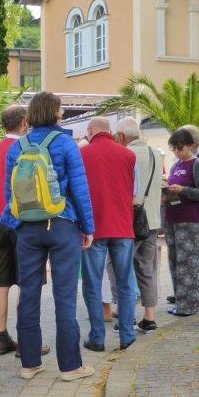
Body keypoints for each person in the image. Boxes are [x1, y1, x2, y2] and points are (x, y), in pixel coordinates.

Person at [2, 92, 95, 381]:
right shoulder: (66, 144)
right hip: (62, 225)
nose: (62, 112)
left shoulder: (17, 147)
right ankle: (71, 367)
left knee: (28, 293)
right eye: (60, 109)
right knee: (64, 296)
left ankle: (29, 364)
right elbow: (79, 189)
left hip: (28, 229)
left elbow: (10, 193)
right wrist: (88, 227)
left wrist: (16, 224)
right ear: (55, 113)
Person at [80, 117, 138, 352]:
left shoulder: (83, 154)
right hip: (123, 227)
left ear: (91, 131)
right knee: (125, 283)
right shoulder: (128, 155)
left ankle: (97, 337)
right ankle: (127, 334)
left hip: (94, 228)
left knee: (92, 283)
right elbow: (134, 192)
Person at [0, 105, 30, 356]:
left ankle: (1, 338)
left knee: (0, 282)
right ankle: (27, 340)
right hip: (21, 220)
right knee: (27, 281)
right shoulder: (26, 149)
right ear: (24, 122)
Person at [116, 118, 161, 332]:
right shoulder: (155, 154)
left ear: (122, 136)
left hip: (131, 220)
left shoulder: (126, 155)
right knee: (147, 269)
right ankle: (150, 317)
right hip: (152, 220)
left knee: (122, 269)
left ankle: (127, 317)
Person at [164, 128, 199, 316]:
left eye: (180, 148)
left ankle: (191, 304)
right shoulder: (175, 166)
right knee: (175, 262)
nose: (177, 152)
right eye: (173, 148)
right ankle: (180, 301)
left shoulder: (198, 164)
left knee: (190, 264)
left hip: (190, 221)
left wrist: (183, 190)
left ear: (190, 146)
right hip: (172, 219)